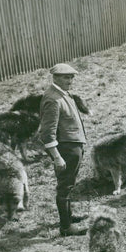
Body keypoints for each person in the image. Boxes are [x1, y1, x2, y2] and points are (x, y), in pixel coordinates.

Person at [39, 63, 88, 237]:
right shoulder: (52, 99)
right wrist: (57, 157)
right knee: (64, 187)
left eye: (72, 77)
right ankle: (66, 228)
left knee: (69, 184)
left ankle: (68, 216)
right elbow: (47, 133)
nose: (70, 80)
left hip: (73, 145)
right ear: (55, 78)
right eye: (66, 77)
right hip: (66, 149)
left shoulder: (62, 94)